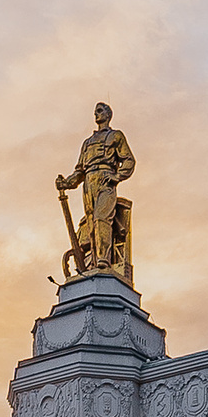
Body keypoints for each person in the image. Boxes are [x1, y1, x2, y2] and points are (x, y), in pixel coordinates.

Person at [57, 102, 136, 283]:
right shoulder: (87, 143)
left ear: (108, 114)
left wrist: (117, 176)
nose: (96, 114)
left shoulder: (116, 136)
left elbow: (129, 160)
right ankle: (92, 261)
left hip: (105, 180)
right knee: (91, 225)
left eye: (100, 111)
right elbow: (79, 171)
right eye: (95, 112)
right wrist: (66, 183)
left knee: (102, 219)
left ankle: (103, 260)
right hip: (88, 181)